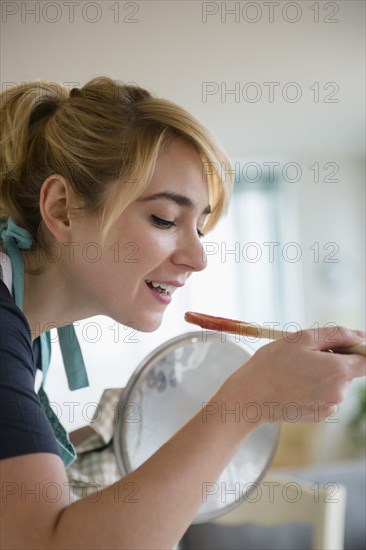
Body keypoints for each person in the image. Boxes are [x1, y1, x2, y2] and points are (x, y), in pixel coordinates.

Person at [0, 76, 364, 550]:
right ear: (63, 209)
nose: (198, 258)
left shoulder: (29, 332)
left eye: (201, 227)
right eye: (165, 219)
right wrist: (247, 401)